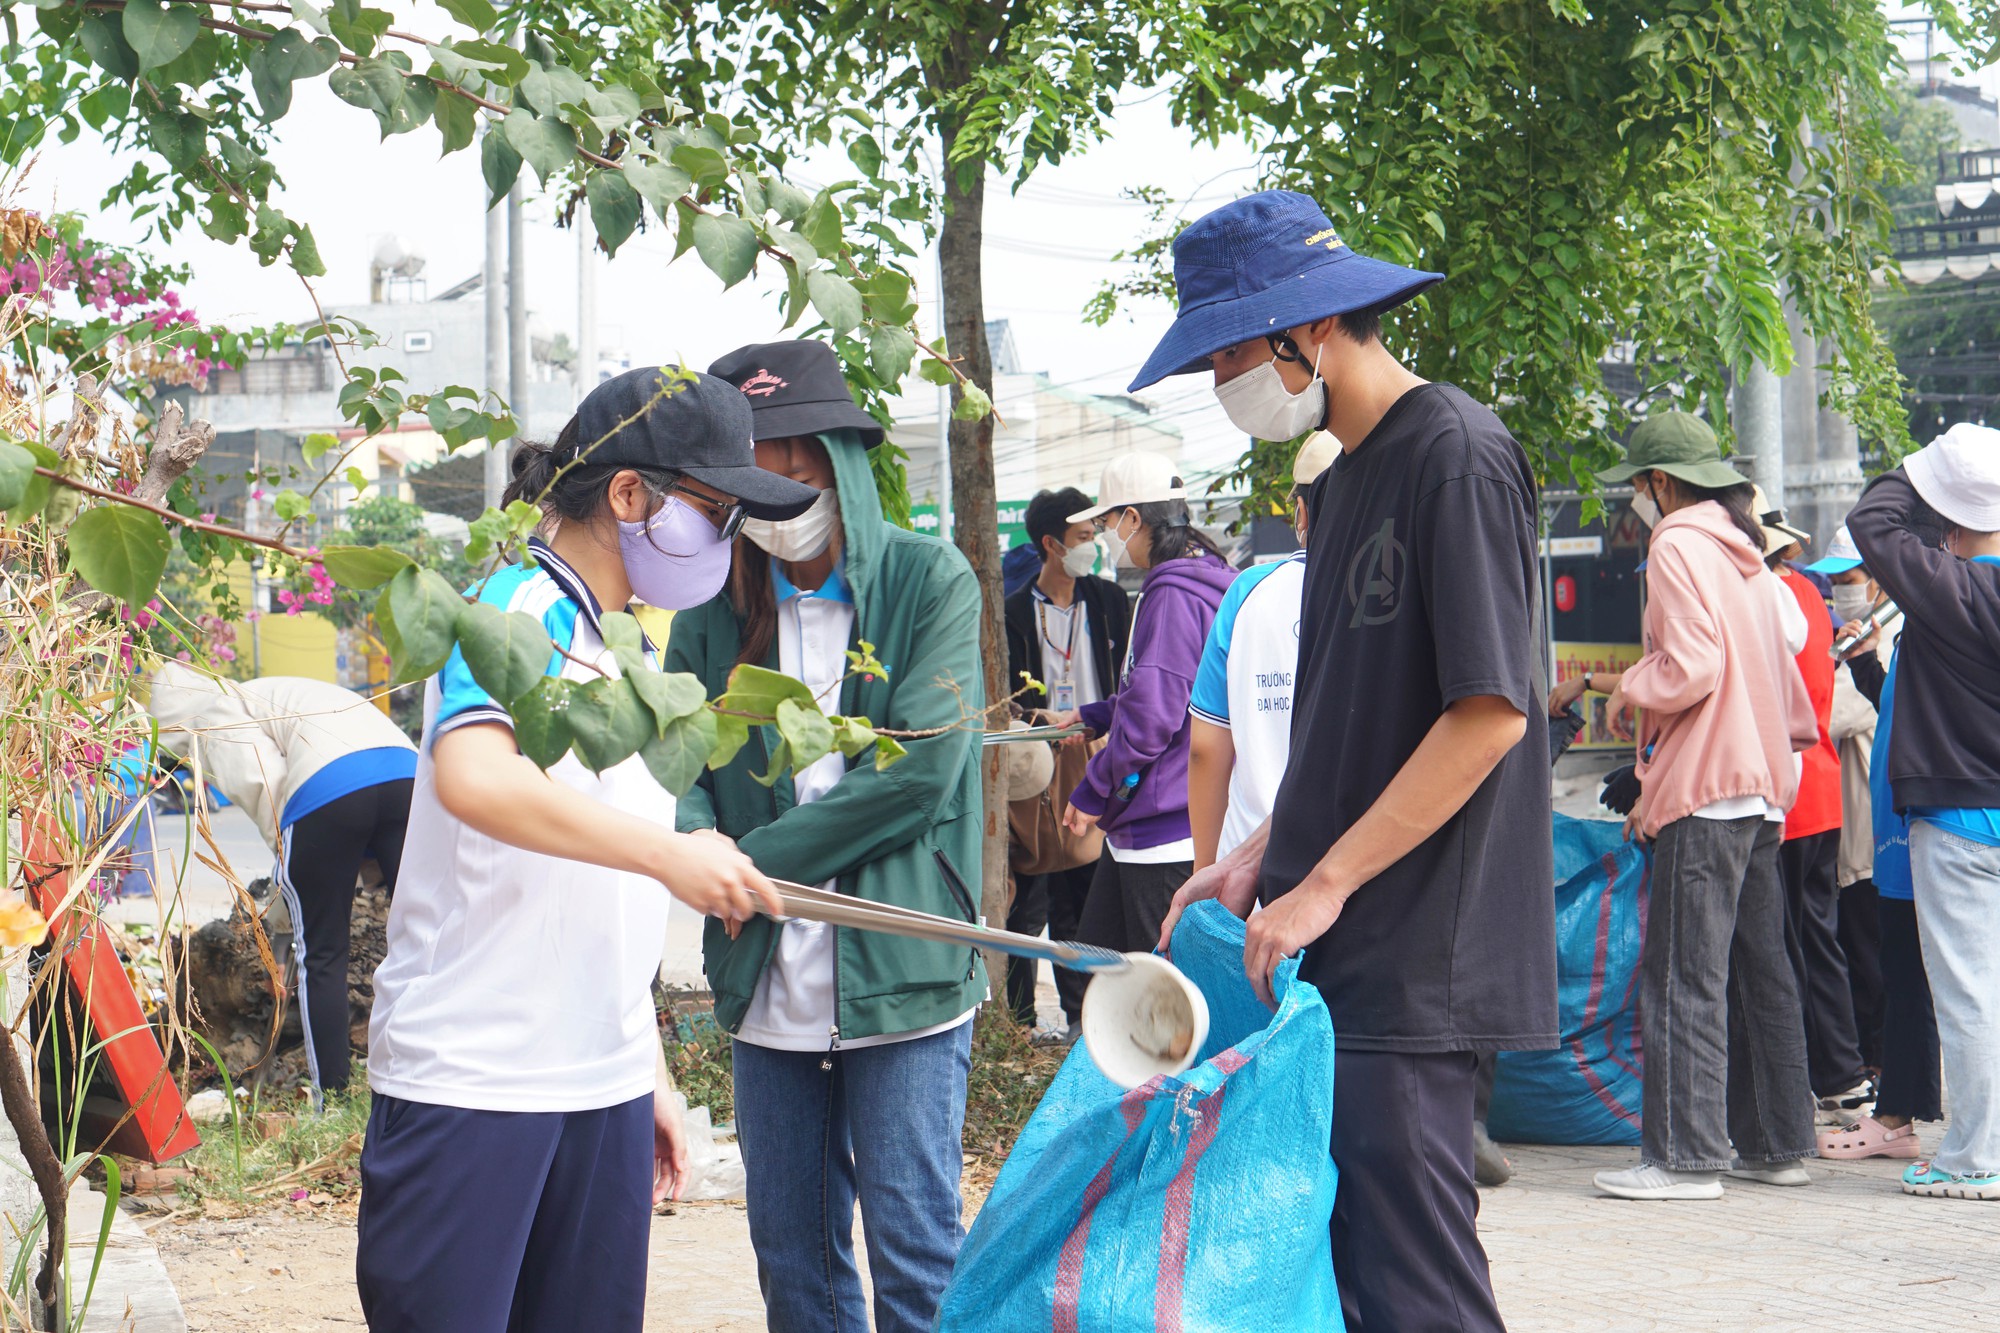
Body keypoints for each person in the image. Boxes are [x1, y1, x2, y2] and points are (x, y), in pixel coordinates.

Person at [1146, 189, 1555, 1331]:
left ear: (1308, 327)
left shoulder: (1456, 456)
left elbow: (1487, 714)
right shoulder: (1347, 473)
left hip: (1416, 950)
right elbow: (1347, 718)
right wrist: (1258, 856)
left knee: (1419, 1288)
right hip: (1338, 953)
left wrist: (1325, 881)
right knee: (1358, 1280)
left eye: (1231, 351)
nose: (1225, 379)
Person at [355, 368, 798, 1332]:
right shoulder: (514, 608)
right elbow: (477, 777)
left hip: (593, 1078)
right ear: (629, 496)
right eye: (715, 512)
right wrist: (669, 853)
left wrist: (644, 1069)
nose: (725, 543)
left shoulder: (620, 647)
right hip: (476, 1080)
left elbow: (587, 897)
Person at [669, 339, 987, 1333]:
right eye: (759, 481)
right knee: (792, 1255)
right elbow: (679, 760)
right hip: (767, 981)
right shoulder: (710, 611)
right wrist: (689, 839)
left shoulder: (931, 582)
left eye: (801, 473)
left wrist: (742, 865)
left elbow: (921, 773)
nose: (784, 500)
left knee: (913, 1249)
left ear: (847, 464)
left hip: (906, 975)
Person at [1565, 414, 1818, 1201]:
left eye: (1638, 488)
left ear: (1661, 484)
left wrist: (1631, 689)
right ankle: (1776, 1144)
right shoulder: (1745, 554)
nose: (1636, 504)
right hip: (1761, 786)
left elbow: (1693, 667)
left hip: (1705, 787)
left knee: (1682, 977)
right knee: (1758, 971)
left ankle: (1684, 1158)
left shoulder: (1675, 544)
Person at [1848, 422, 2000, 1200]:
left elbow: (1869, 522)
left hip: (1961, 820)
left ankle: (1974, 1159)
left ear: (1948, 516)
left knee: (1970, 992)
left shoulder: (1955, 589)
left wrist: (1919, 466)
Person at [148, 662, 417, 1098]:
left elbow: (268, 795)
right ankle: (424, 1082)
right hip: (407, 775)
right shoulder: (276, 688)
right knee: (420, 938)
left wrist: (288, 886)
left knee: (322, 953)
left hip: (330, 787)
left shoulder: (216, 713)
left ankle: (331, 1097)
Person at [1057, 451, 1236, 957]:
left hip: (1162, 830)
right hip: (1168, 819)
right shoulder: (1203, 581)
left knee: (1153, 992)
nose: (1106, 533)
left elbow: (1153, 718)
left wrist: (1091, 790)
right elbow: (1165, 693)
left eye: (1106, 521)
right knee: (1103, 958)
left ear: (1133, 519)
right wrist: (1096, 716)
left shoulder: (1171, 595)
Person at [1757, 490, 1874, 1122]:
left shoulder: (1766, 599)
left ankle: (1798, 1083)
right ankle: (1841, 1076)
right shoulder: (1806, 594)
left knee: (1779, 948)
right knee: (1817, 941)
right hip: (1820, 793)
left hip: (1783, 797)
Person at [1002, 486, 1131, 1034]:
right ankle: (1018, 1022)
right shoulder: (1012, 613)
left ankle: (1086, 1022)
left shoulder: (1107, 602)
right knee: (1026, 898)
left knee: (1087, 893)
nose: (1094, 545)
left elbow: (1128, 678)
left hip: (1096, 752)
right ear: (1052, 544)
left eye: (1096, 534)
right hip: (1034, 760)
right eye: (1084, 537)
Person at [1818, 609, 1942, 1162]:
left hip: (1930, 830)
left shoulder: (1949, 619)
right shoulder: (1915, 632)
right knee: (1901, 972)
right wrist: (1866, 658)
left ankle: (1898, 1116)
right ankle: (1895, 1116)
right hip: (1897, 834)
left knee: (1918, 979)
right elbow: (1894, 702)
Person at [1186, 431, 1335, 867]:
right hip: (1363, 873)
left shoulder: (1248, 593)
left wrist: (1205, 871)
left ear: (1302, 511)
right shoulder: (1396, 589)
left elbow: (1206, 749)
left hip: (1250, 875)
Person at [1809, 527, 1887, 1071]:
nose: (1841, 591)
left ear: (1879, 581)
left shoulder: (1880, 647)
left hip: (1869, 842)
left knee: (1871, 963)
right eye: (1834, 581)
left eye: (1850, 579)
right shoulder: (1849, 645)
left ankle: (1881, 1077)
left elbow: (1827, 715)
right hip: (1846, 841)